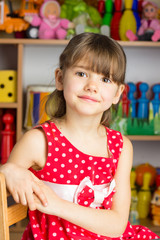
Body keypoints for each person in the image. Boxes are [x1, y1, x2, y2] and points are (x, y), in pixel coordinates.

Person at [0, 33, 159, 240]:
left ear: (118, 93)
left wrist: (57, 206)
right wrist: (7, 170)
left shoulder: (120, 147)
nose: (92, 86)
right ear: (60, 78)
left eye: (105, 79)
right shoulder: (39, 141)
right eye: (82, 74)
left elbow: (117, 224)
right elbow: (6, 189)